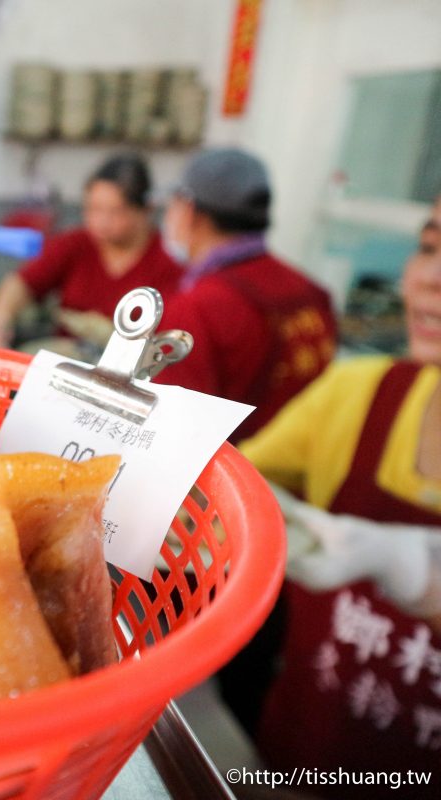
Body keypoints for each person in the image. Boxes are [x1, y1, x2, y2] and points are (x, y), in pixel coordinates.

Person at [237, 197, 441, 798]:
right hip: (300, 766)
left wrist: (405, 565)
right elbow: (217, 508)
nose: (429, 276)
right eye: (428, 248)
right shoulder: (355, 395)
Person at [155, 148, 336, 442]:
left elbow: (177, 436)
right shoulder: (311, 291)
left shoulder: (195, 309)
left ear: (188, 211)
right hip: (292, 480)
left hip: (230, 481)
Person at [0, 152, 181, 349]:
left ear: (146, 210)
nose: (102, 222)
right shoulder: (76, 245)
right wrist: (0, 319)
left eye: (115, 211)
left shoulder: (169, 260)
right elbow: (22, 283)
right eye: (94, 209)